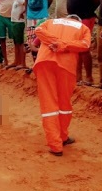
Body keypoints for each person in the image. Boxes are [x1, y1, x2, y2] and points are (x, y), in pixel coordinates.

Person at [33, 15, 91, 156]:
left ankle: (56, 145)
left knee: (49, 103)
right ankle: (63, 137)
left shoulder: (50, 22)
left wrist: (56, 42)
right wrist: (63, 44)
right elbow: (85, 45)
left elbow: (38, 31)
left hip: (44, 63)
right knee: (64, 103)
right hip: (66, 66)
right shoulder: (83, 28)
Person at [61, 0, 101, 86]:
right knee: (74, 48)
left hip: (86, 17)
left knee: (84, 48)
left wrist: (89, 12)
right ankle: (77, 76)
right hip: (73, 19)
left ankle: (89, 77)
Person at [24, 0, 53, 68]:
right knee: (32, 42)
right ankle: (36, 64)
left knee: (43, 40)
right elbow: (26, 0)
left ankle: (44, 63)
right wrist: (27, 16)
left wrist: (44, 9)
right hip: (31, 17)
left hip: (42, 16)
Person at [10, 0, 27, 69]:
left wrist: (22, 13)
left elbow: (26, 5)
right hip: (14, 22)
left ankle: (23, 63)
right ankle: (17, 61)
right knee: (16, 43)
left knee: (20, 43)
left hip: (19, 23)